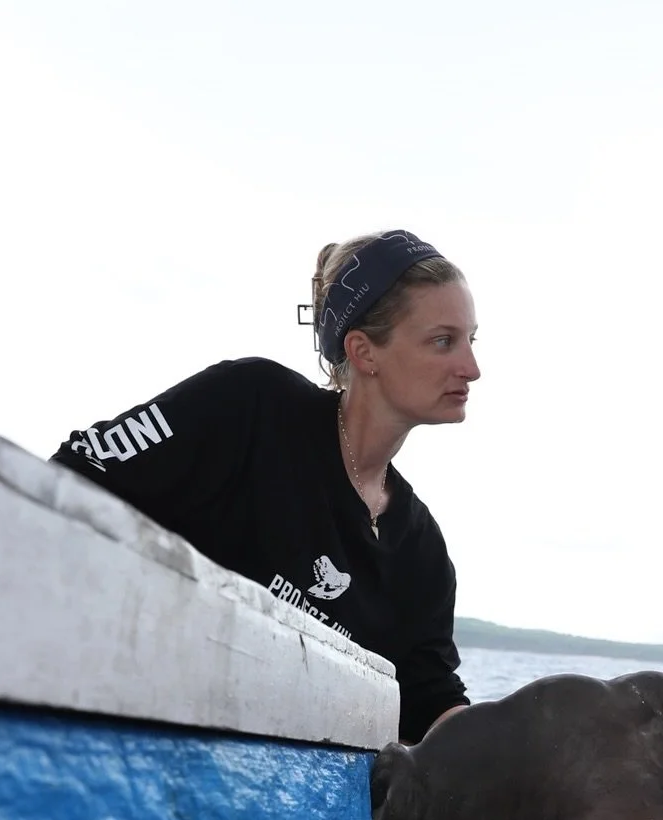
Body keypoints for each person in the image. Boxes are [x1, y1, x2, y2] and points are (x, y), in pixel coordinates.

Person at [51, 229, 480, 743]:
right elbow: (79, 476)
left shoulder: (420, 548)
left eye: (471, 340)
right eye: (443, 341)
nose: (472, 368)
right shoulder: (251, 408)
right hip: (126, 728)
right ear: (364, 352)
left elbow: (429, 699)